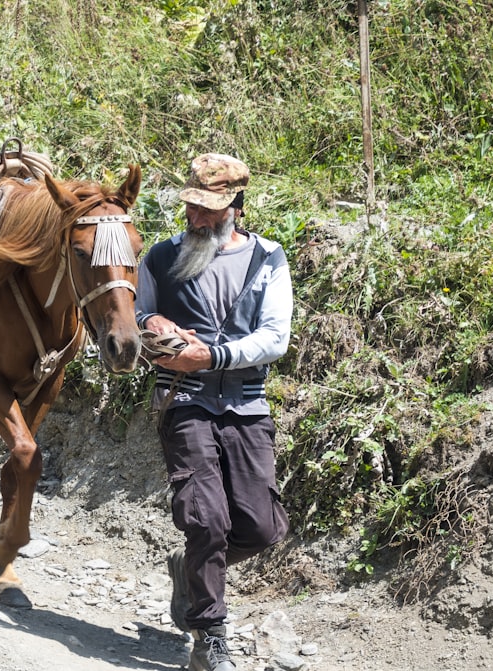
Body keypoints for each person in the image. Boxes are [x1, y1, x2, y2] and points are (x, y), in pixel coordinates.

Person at [135, 153, 292, 671]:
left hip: (246, 403)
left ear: (237, 207)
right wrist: (155, 324)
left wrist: (215, 354)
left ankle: (190, 568)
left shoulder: (269, 257)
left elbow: (275, 338)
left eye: (210, 210)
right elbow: (134, 315)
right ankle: (209, 637)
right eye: (193, 208)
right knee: (207, 520)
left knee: (264, 528)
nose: (197, 218)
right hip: (183, 398)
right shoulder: (159, 258)